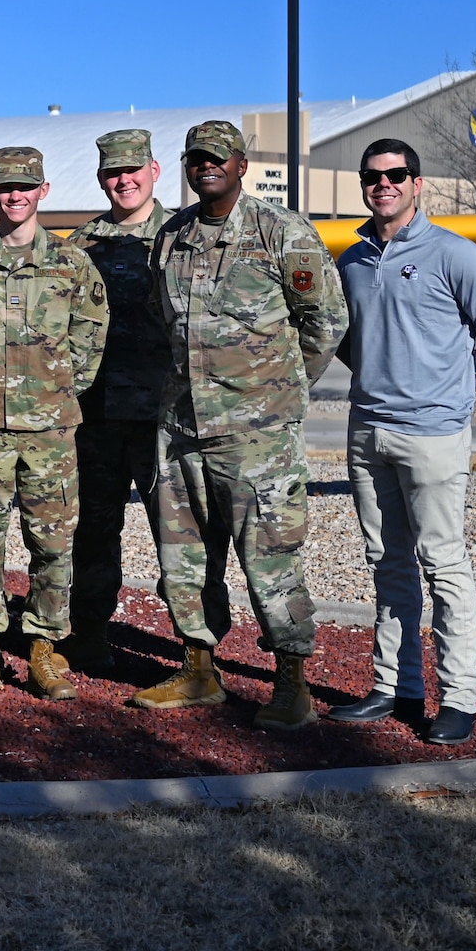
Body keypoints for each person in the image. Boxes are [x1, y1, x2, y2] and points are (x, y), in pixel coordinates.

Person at [136, 119, 347, 730]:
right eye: (196, 158)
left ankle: (291, 683)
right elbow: (161, 316)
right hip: (181, 428)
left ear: (240, 164)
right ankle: (199, 669)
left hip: (258, 434)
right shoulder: (171, 236)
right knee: (183, 557)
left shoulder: (281, 231)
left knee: (272, 558)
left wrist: (279, 391)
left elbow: (326, 322)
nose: (207, 167)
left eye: (217, 158)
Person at [327, 139, 476, 745]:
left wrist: (465, 387)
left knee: (445, 566)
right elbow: (341, 333)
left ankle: (458, 698)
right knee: (388, 564)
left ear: (417, 183)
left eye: (396, 174)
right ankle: (396, 686)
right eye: (372, 176)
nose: (383, 184)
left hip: (433, 433)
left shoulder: (453, 254)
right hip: (368, 429)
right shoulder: (353, 260)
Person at [0, 147, 107, 702]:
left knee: (53, 542)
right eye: (5, 187)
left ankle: (43, 648)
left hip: (50, 429)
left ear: (44, 190)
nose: (14, 196)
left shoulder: (71, 264)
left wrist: (59, 387)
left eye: (25, 187)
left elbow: (91, 332)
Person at [67, 129, 176, 672]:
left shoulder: (181, 235)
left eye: (133, 170)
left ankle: (197, 652)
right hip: (97, 418)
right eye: (113, 172)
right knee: (92, 532)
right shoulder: (81, 245)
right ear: (101, 178)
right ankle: (88, 636)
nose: (124, 180)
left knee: (179, 539)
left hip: (163, 416)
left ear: (155, 170)